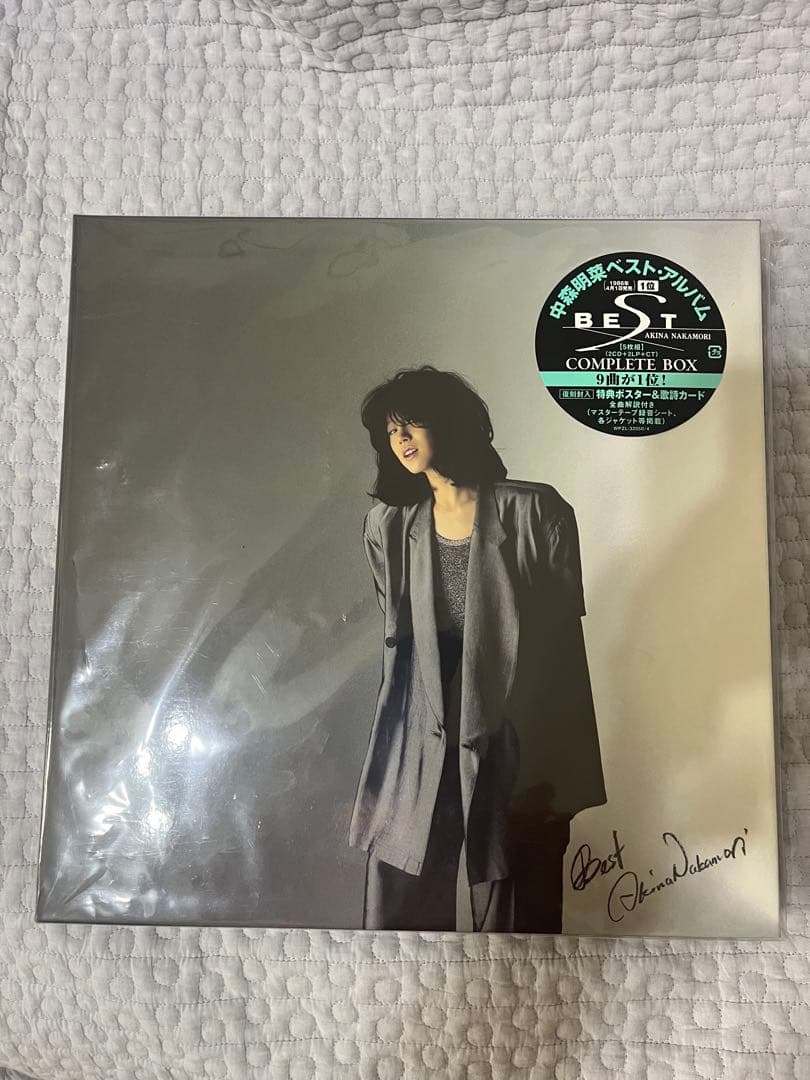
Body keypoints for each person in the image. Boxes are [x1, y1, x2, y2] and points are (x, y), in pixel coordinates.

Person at [348, 365, 606, 932]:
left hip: (514, 726)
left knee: (519, 897)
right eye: (390, 431)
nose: (400, 438)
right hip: (420, 730)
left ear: (451, 422)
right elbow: (402, 642)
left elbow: (562, 650)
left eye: (412, 422)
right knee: (402, 889)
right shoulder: (385, 526)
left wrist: (552, 764)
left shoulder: (537, 512)